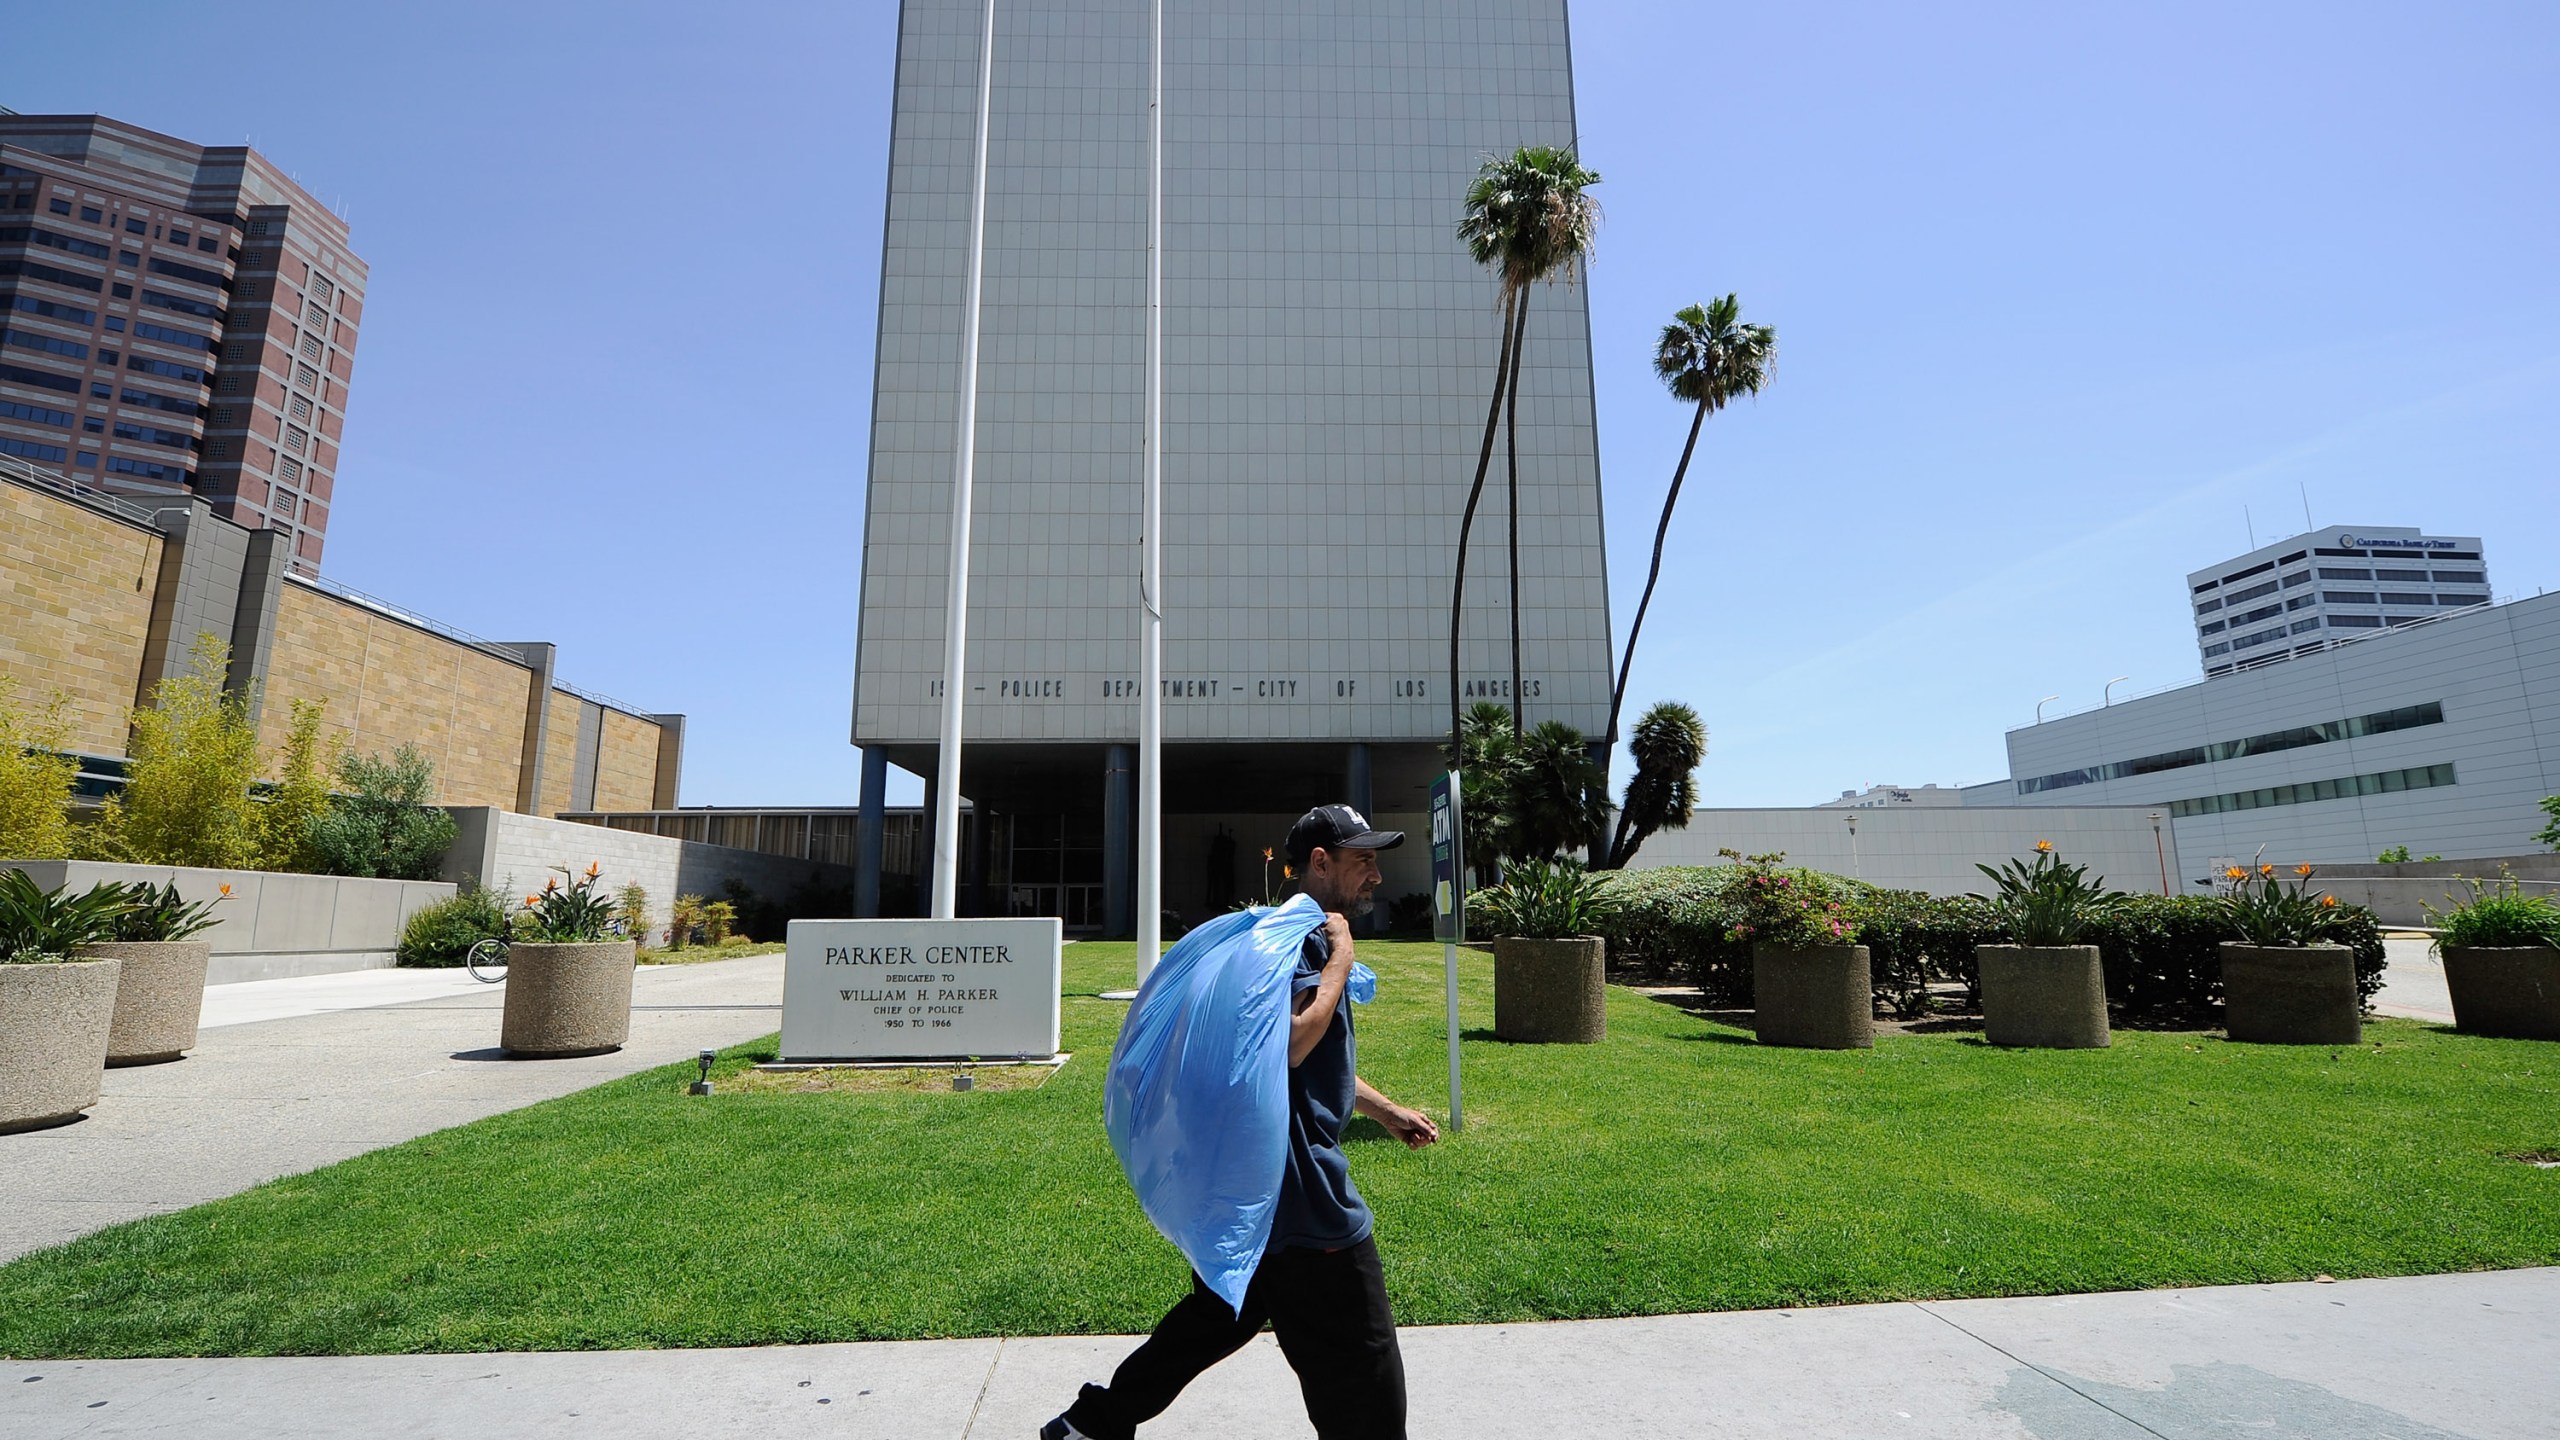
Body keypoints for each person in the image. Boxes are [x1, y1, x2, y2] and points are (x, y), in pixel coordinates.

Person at [1046, 803, 1441, 1440]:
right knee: (1366, 1384)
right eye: (1362, 859)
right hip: (1303, 1204)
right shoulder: (1307, 941)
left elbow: (1289, 1064)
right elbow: (1286, 1042)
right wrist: (1341, 963)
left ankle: (1091, 1425)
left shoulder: (1274, 933)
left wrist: (1384, 1109)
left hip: (1251, 1202)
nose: (1375, 874)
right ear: (1320, 862)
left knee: (1214, 1320)